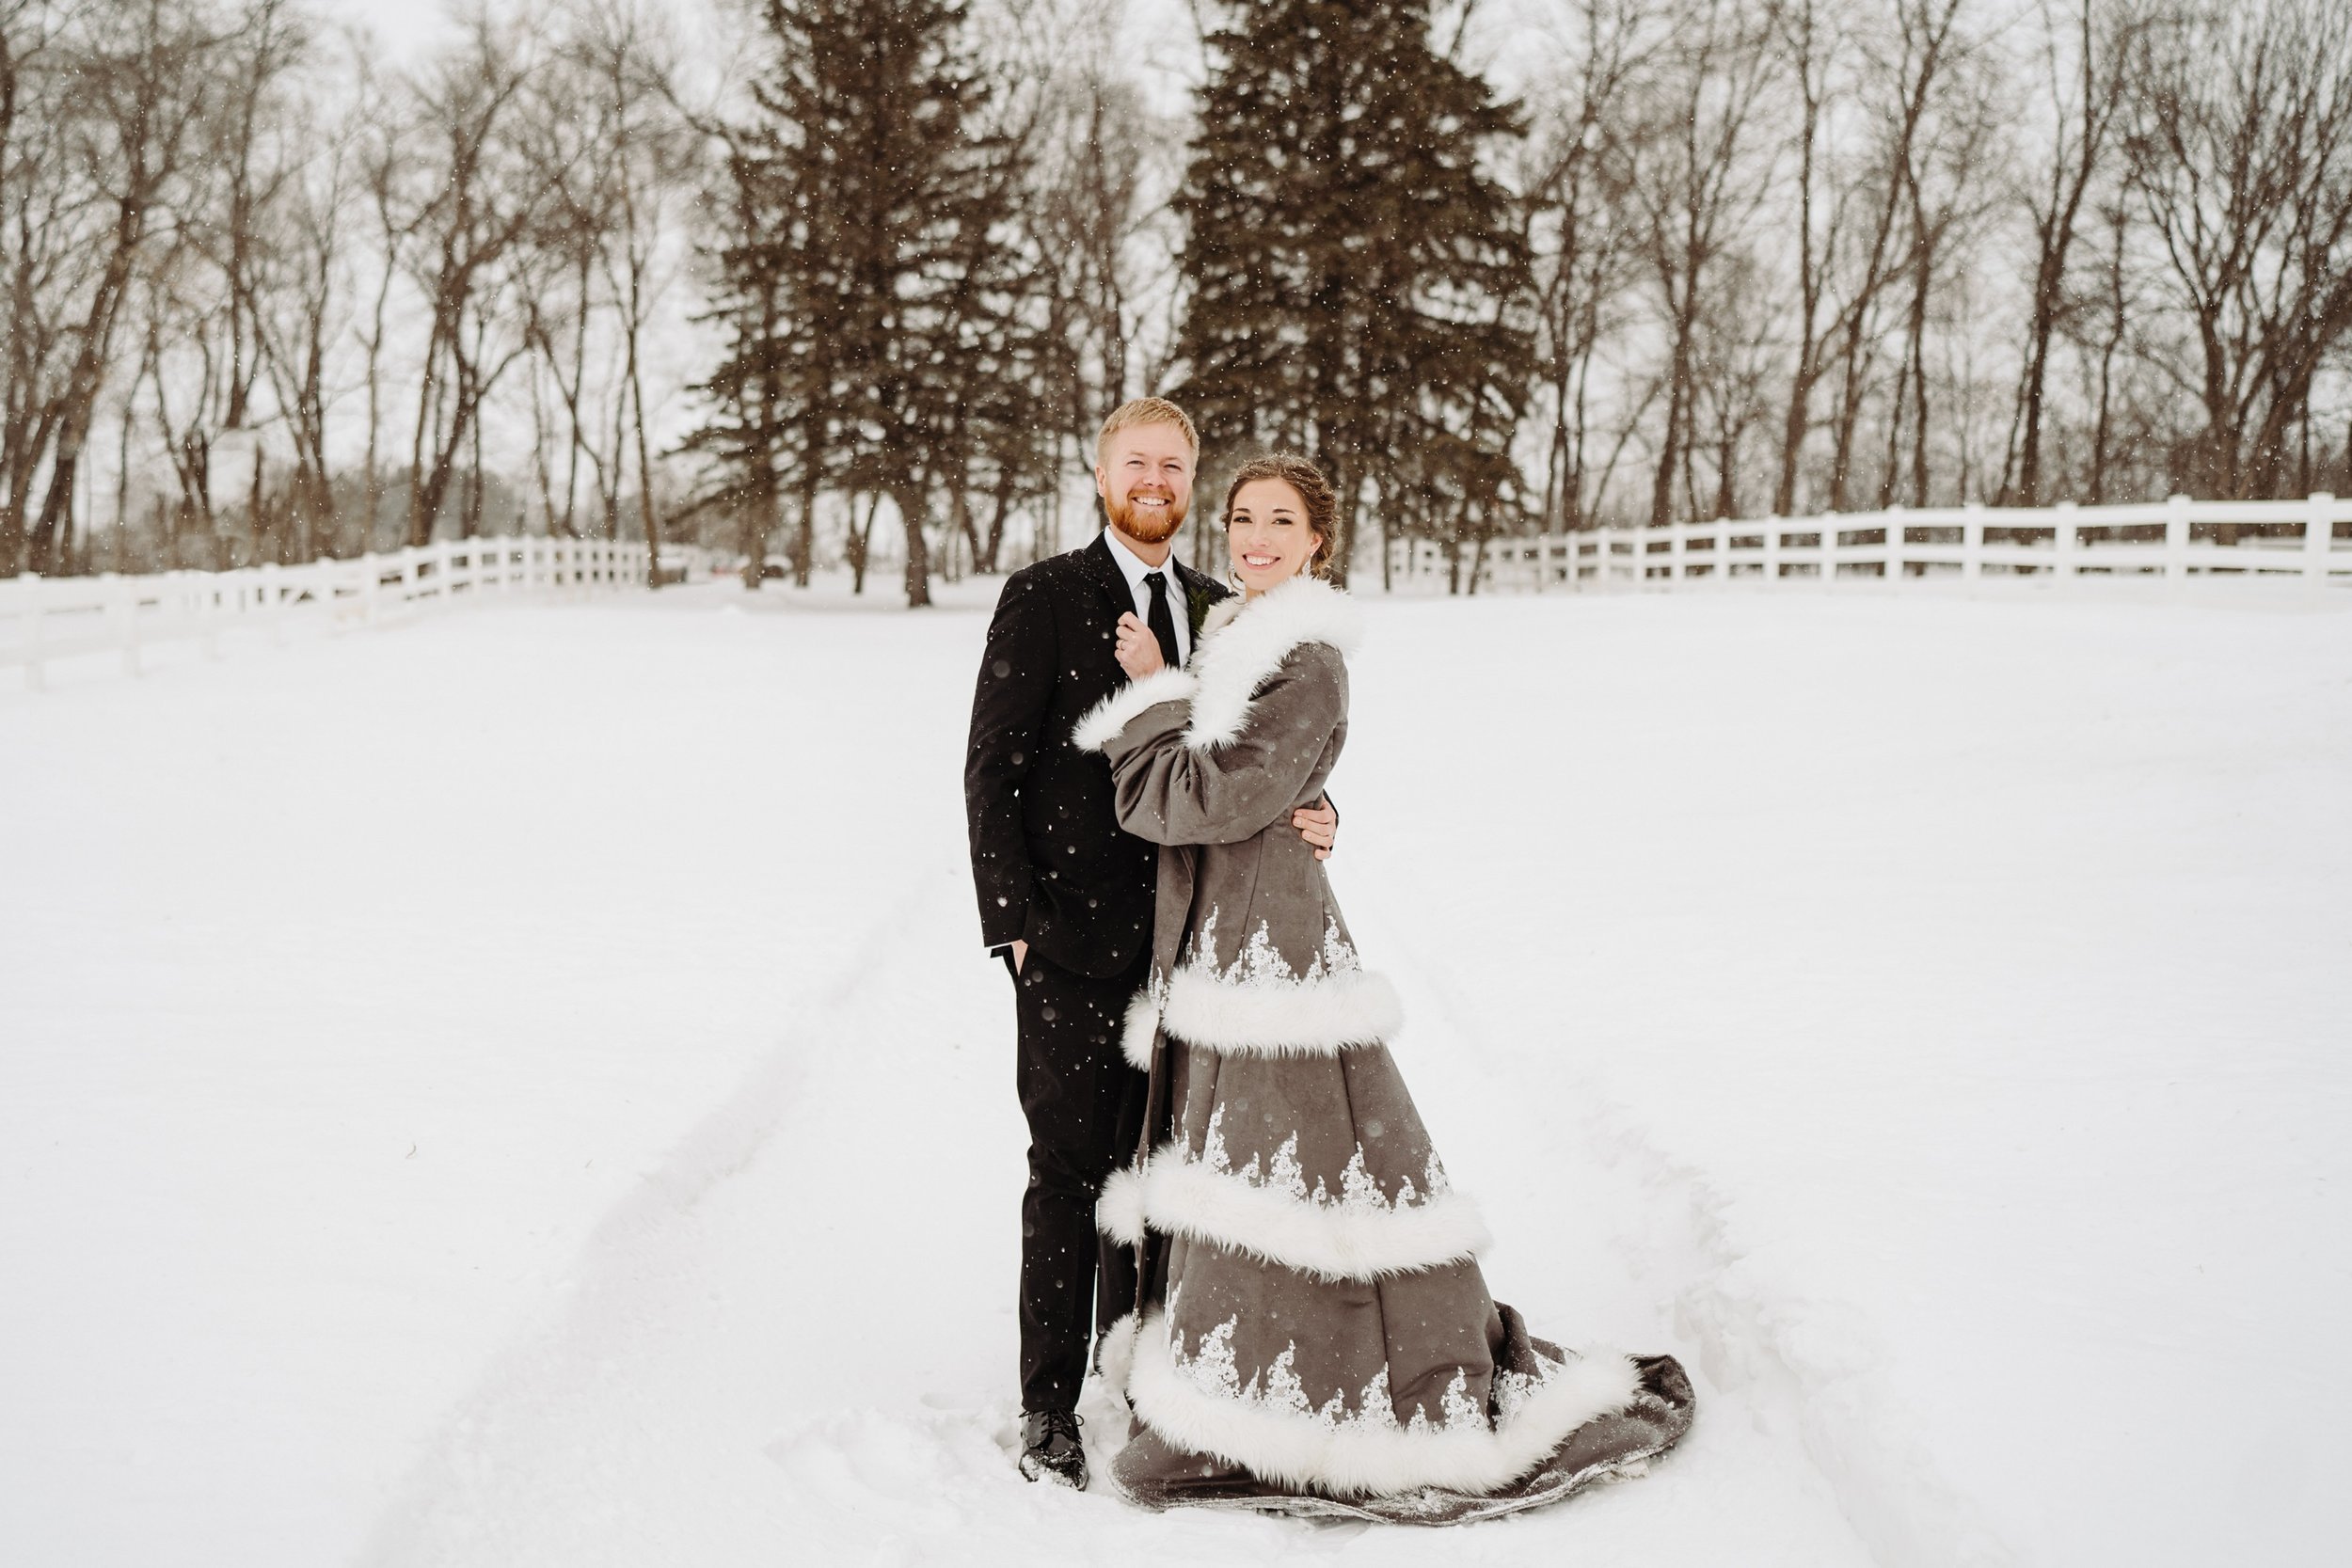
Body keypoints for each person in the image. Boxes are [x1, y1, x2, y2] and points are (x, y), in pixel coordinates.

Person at [1075, 452, 1694, 1522]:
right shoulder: (1233, 634)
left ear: (1320, 539)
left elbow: (1202, 796)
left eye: (1279, 520)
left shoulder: (1307, 655)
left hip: (1271, 947)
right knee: (1254, 1165)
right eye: (1240, 517)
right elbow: (1262, 786)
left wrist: (1144, 700)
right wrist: (1289, 795)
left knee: (1308, 1155)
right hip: (1221, 940)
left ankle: (1338, 1383)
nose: (1254, 536)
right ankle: (1248, 1370)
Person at [963, 400, 1340, 1489]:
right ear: (1100, 471)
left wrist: (1323, 813)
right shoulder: (1042, 598)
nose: (1155, 478)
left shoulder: (1223, 612)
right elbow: (992, 770)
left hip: (1193, 953)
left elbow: (1254, 763)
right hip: (1072, 947)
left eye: (1173, 464)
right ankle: (1047, 1404)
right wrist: (1016, 929)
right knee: (1070, 1173)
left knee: (1165, 1179)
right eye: (1137, 461)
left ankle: (1143, 1377)